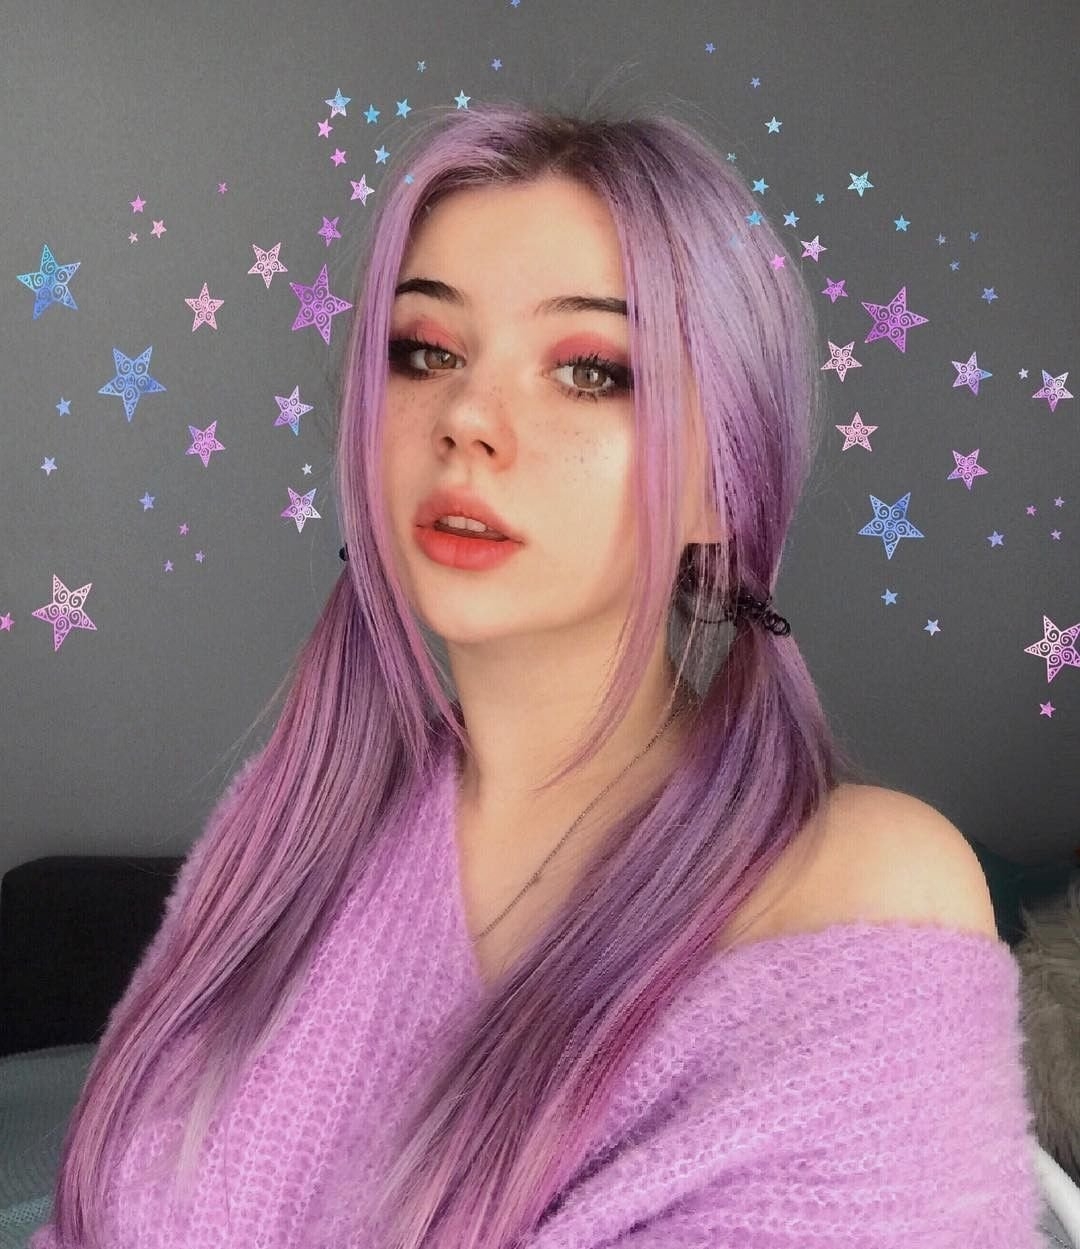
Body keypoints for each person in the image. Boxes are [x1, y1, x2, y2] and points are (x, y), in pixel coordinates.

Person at [32, 99, 1041, 1249]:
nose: (467, 417)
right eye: (426, 350)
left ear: (724, 478)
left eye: (592, 371)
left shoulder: (865, 885)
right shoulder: (286, 829)